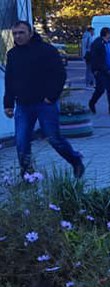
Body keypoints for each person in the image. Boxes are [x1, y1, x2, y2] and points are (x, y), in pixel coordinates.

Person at [3, 21, 85, 178]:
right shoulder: (12, 55)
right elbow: (10, 80)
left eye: (21, 32)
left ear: (30, 33)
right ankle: (27, 173)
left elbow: (60, 75)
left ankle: (75, 161)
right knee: (21, 141)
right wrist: (8, 104)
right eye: (15, 33)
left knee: (53, 138)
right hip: (23, 105)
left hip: (45, 104)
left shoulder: (47, 51)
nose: (18, 36)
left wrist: (51, 96)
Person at [88, 27, 110, 115]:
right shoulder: (98, 43)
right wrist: (98, 70)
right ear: (106, 34)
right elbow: (95, 59)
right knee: (100, 89)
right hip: (101, 71)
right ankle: (92, 103)